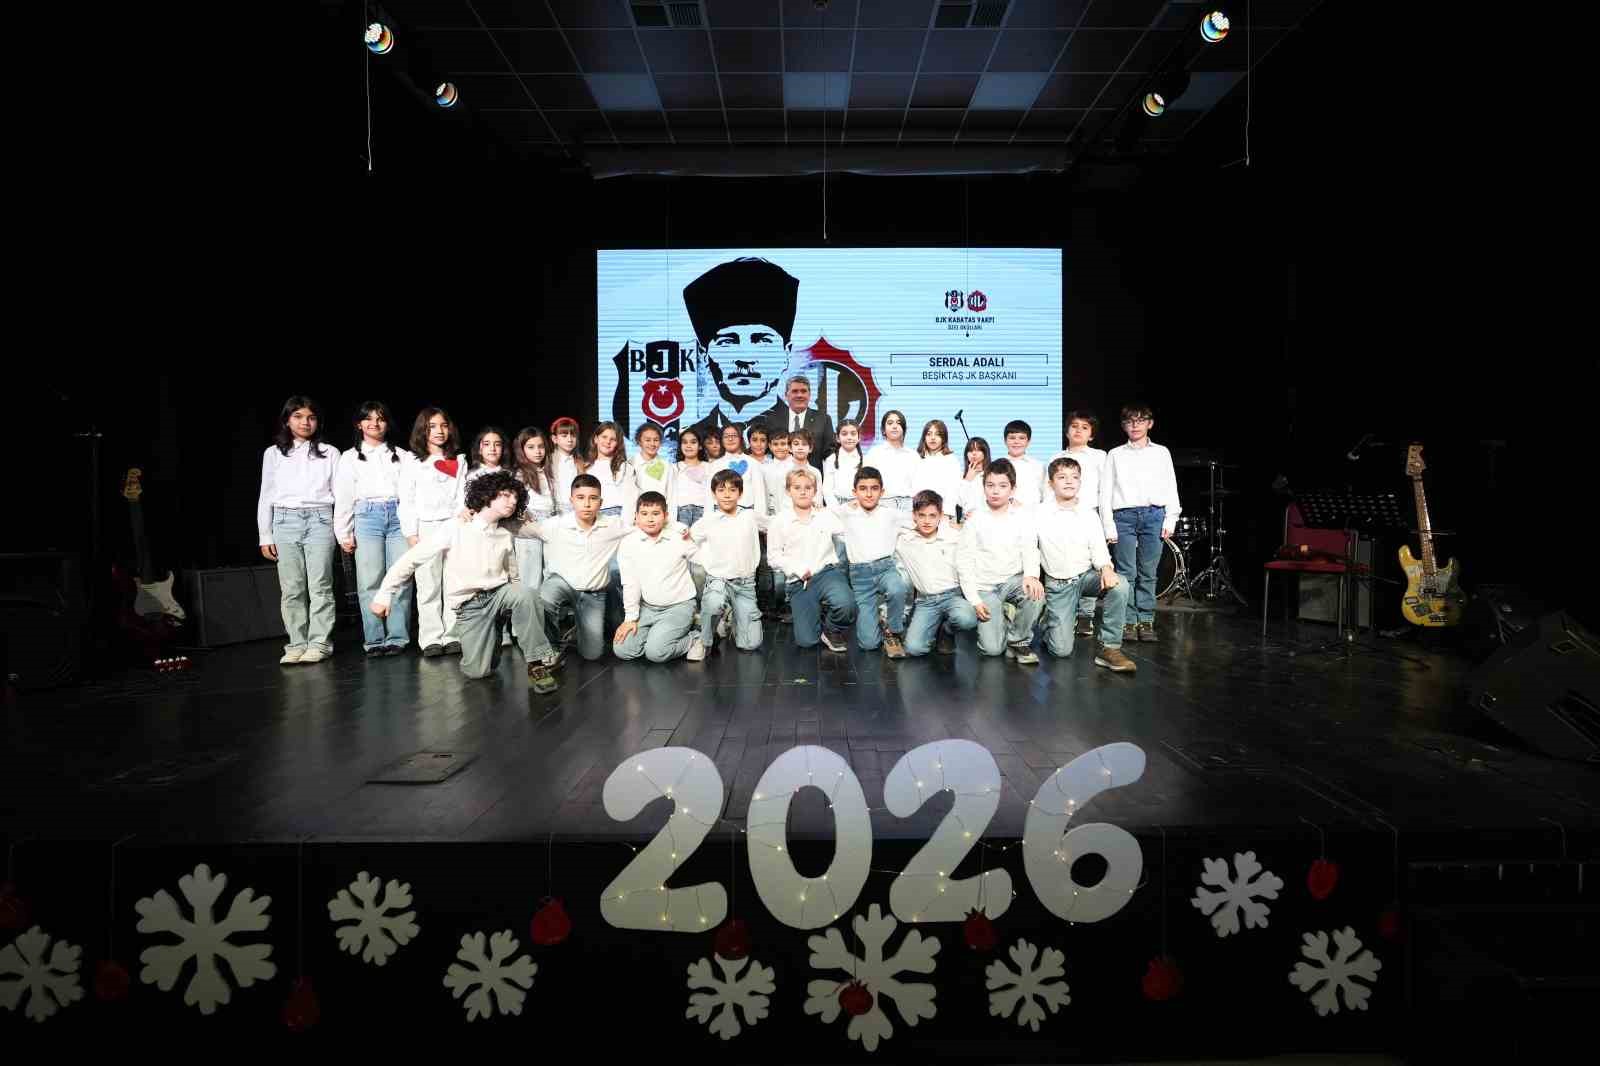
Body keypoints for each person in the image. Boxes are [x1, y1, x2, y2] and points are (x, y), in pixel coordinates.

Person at [372, 471, 563, 693]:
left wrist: (519, 602)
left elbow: (520, 564)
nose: (512, 501)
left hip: (499, 594)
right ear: (487, 495)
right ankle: (491, 636)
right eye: (505, 495)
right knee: (478, 671)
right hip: (470, 606)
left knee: (525, 594)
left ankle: (536, 664)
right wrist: (384, 594)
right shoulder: (456, 527)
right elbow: (412, 559)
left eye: (515, 497)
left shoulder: (506, 531)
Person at [681, 257, 800, 447]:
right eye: (728, 342)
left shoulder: (798, 431)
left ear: (786, 353)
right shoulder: (694, 438)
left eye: (762, 340)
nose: (745, 358)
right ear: (705, 355)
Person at [258, 396, 341, 665]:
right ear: (287, 420)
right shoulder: (273, 453)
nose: (305, 422)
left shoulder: (330, 452)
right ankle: (296, 643)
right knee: (292, 588)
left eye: (311, 417)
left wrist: (342, 530)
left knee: (320, 585)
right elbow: (266, 495)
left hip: (320, 519)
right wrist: (265, 535)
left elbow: (340, 494)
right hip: (284, 520)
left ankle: (319, 642)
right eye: (298, 416)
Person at [1037, 458, 1135, 673]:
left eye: (1074, 477)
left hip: (1086, 577)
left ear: (1080, 482)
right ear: (1051, 483)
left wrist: (1106, 568)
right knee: (1061, 651)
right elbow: (1028, 547)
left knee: (1120, 584)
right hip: (1059, 584)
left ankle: (1110, 648)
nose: (1069, 481)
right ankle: (1049, 622)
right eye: (1062, 477)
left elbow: (1098, 547)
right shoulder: (1039, 513)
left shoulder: (1089, 514)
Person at [334, 400, 413, 657]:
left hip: (398, 515)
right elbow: (344, 496)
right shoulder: (349, 457)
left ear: (387, 423)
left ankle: (397, 637)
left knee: (400, 577)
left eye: (380, 418)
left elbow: (410, 495)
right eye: (368, 419)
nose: (374, 423)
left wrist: (412, 526)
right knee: (369, 580)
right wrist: (343, 532)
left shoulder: (403, 455)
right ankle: (375, 639)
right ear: (359, 424)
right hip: (366, 517)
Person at [524, 474, 630, 662]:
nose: (587, 504)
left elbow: (645, 527)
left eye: (593, 498)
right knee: (545, 596)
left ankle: (580, 630)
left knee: (593, 654)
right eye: (581, 498)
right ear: (572, 500)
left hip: (593, 594)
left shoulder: (612, 525)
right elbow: (520, 529)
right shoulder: (555, 525)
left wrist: (679, 529)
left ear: (601, 502)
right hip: (562, 584)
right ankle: (552, 646)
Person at [1100, 402, 1181, 644]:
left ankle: (1145, 619)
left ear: (1150, 423)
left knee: (1148, 572)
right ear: (1124, 426)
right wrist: (1108, 525)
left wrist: (1171, 518)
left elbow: (1170, 485)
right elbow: (1106, 491)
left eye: (1140, 420)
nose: (1135, 425)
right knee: (1126, 573)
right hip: (1123, 517)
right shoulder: (1115, 454)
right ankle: (1128, 620)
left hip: (1154, 515)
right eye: (1129, 421)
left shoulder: (1161, 452)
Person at [957, 459, 1045, 665]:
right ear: (984, 487)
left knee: (1036, 593)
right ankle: (1001, 616)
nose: (996, 491)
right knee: (993, 650)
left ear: (1012, 489)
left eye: (1002, 486)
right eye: (990, 485)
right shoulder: (974, 518)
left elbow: (1030, 549)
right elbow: (964, 561)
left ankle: (1018, 640)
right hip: (985, 588)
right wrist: (974, 600)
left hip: (1012, 582)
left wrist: (1031, 576)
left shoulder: (1022, 516)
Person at [399, 407, 466, 657]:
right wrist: (411, 533)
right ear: (423, 430)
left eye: (443, 425)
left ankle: (453, 635)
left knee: (454, 583)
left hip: (453, 525)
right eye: (432, 426)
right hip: (426, 527)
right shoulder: (413, 461)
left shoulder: (458, 460)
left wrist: (460, 522)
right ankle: (430, 638)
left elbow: (462, 496)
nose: (439, 431)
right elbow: (406, 499)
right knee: (428, 584)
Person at [767, 466, 853, 651]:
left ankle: (831, 629)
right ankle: (815, 614)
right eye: (797, 487)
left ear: (814, 491)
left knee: (846, 604)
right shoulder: (779, 521)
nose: (803, 492)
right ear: (788, 491)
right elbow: (773, 557)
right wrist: (795, 568)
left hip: (827, 573)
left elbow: (846, 533)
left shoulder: (825, 515)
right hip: (799, 582)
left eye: (808, 487)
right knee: (807, 641)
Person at [612, 492, 700, 664]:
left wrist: (684, 531)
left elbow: (701, 558)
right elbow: (630, 583)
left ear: (665, 516)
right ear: (636, 516)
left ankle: (697, 637)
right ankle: (660, 636)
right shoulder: (629, 543)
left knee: (656, 653)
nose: (650, 519)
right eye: (644, 514)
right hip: (648, 608)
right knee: (623, 649)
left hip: (678, 606)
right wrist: (630, 619)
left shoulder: (678, 536)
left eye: (656, 513)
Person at [835, 467, 913, 657]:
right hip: (860, 575)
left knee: (897, 588)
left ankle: (893, 630)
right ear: (854, 492)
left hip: (885, 568)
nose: (869, 494)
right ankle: (877, 622)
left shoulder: (891, 514)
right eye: (863, 489)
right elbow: (820, 515)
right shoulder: (845, 512)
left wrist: (950, 523)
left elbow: (919, 521)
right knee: (868, 644)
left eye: (874, 488)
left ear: (882, 491)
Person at [689, 469, 766, 657]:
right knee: (713, 603)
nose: (727, 495)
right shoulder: (708, 520)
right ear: (714, 494)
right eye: (721, 490)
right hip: (719, 580)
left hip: (745, 583)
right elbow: (688, 541)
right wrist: (704, 559)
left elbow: (777, 525)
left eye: (732, 490)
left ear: (740, 493)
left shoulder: (750, 516)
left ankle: (731, 617)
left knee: (750, 644)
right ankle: (703, 639)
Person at [1049, 411, 1108, 638]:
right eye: (1074, 426)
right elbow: (1048, 490)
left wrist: (1106, 521)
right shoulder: (1056, 456)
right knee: (1065, 563)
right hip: (1060, 515)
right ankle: (1065, 612)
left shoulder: (1099, 457)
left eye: (1084, 427)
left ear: (1091, 434)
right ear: (1067, 431)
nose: (1078, 430)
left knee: (1090, 566)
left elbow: (1105, 490)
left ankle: (1086, 616)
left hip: (1089, 515)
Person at [897, 490, 978, 656]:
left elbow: (972, 553)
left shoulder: (954, 536)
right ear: (914, 516)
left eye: (932, 516)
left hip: (952, 596)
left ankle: (947, 630)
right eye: (922, 515)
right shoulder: (904, 539)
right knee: (914, 649)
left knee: (967, 618)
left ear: (941, 516)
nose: (927, 521)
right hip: (926, 601)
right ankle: (932, 629)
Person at [511, 426, 559, 589]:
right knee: (530, 576)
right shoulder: (519, 473)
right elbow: (515, 500)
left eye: (541, 446)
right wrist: (523, 514)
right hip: (529, 524)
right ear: (522, 450)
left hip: (550, 522)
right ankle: (529, 604)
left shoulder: (548, 470)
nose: (537, 451)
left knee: (551, 571)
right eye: (531, 447)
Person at [760, 374, 835, 468]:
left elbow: (830, 453)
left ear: (809, 395)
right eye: (795, 391)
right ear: (786, 395)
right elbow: (765, 450)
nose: (799, 395)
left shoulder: (823, 419)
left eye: (803, 391)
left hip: (812, 475)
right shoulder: (772, 419)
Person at [863, 410, 917, 511]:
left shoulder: (913, 455)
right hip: (883, 503)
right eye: (890, 423)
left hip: (909, 505)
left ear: (904, 429)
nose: (895, 426)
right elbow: (866, 481)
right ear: (883, 430)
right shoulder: (874, 453)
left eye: (898, 423)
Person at [912, 419, 961, 519]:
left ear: (944, 438)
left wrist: (946, 514)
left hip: (942, 514)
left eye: (937, 434)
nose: (932, 438)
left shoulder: (951, 460)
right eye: (929, 434)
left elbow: (954, 491)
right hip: (918, 513)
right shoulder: (916, 458)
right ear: (924, 437)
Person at [1000, 419, 1046, 508]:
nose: (1016, 442)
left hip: (1031, 513)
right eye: (1012, 438)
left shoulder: (1038, 466)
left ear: (1028, 441)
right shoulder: (997, 465)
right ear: (1005, 441)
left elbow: (1045, 494)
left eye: (1021, 438)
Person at [549, 416, 585, 510]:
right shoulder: (548, 460)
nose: (569, 440)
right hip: (555, 508)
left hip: (576, 507)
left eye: (573, 435)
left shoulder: (579, 462)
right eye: (564, 436)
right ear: (554, 439)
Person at [956, 436, 992, 523]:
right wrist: (967, 480)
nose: (974, 453)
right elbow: (959, 502)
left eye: (978, 450)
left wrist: (979, 514)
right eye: (970, 450)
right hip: (966, 523)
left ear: (985, 453)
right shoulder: (960, 476)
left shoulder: (992, 475)